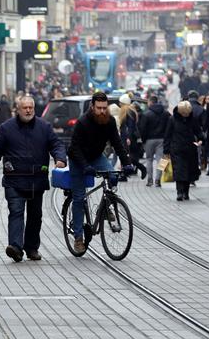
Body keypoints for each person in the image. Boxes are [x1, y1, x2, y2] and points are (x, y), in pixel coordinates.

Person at [0, 96, 66, 262]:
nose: (28, 110)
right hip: (14, 179)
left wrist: (60, 158)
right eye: (24, 108)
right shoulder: (7, 128)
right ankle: (15, 247)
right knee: (16, 212)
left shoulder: (44, 127)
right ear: (18, 109)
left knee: (35, 215)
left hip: (37, 179)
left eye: (31, 107)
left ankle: (31, 248)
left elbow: (56, 144)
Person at [67, 92, 133, 253]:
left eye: (105, 108)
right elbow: (74, 147)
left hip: (96, 156)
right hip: (78, 159)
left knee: (112, 175)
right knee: (79, 198)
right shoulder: (83, 122)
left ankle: (106, 206)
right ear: (92, 107)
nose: (102, 111)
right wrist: (85, 166)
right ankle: (78, 238)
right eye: (99, 108)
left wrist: (127, 163)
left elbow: (117, 143)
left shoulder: (109, 121)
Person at [163, 101, 203, 202]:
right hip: (177, 149)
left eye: (187, 113)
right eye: (184, 113)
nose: (186, 115)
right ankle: (179, 192)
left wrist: (201, 139)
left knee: (189, 171)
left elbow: (198, 131)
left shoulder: (192, 119)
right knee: (179, 171)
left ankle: (186, 192)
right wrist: (166, 150)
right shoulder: (172, 119)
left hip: (190, 148)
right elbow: (167, 135)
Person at [139, 95, 171, 187]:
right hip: (162, 140)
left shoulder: (146, 114)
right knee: (161, 160)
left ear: (150, 102)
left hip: (149, 140)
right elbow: (169, 126)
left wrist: (143, 140)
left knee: (149, 159)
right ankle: (158, 180)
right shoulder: (165, 113)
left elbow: (142, 129)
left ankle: (149, 180)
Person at [117, 94, 147, 179]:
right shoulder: (128, 110)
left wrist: (128, 138)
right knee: (124, 155)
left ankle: (141, 167)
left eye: (120, 103)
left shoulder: (128, 111)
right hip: (125, 136)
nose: (119, 104)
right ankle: (124, 174)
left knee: (126, 155)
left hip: (127, 137)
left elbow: (130, 126)